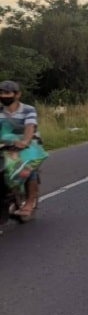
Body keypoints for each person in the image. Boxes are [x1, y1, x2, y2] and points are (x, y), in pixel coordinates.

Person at [0, 80, 44, 219]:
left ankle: (30, 202)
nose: (4, 96)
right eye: (1, 93)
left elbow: (30, 126)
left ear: (17, 94)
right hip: (5, 142)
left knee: (26, 167)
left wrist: (25, 141)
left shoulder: (28, 109)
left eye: (7, 93)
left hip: (27, 141)